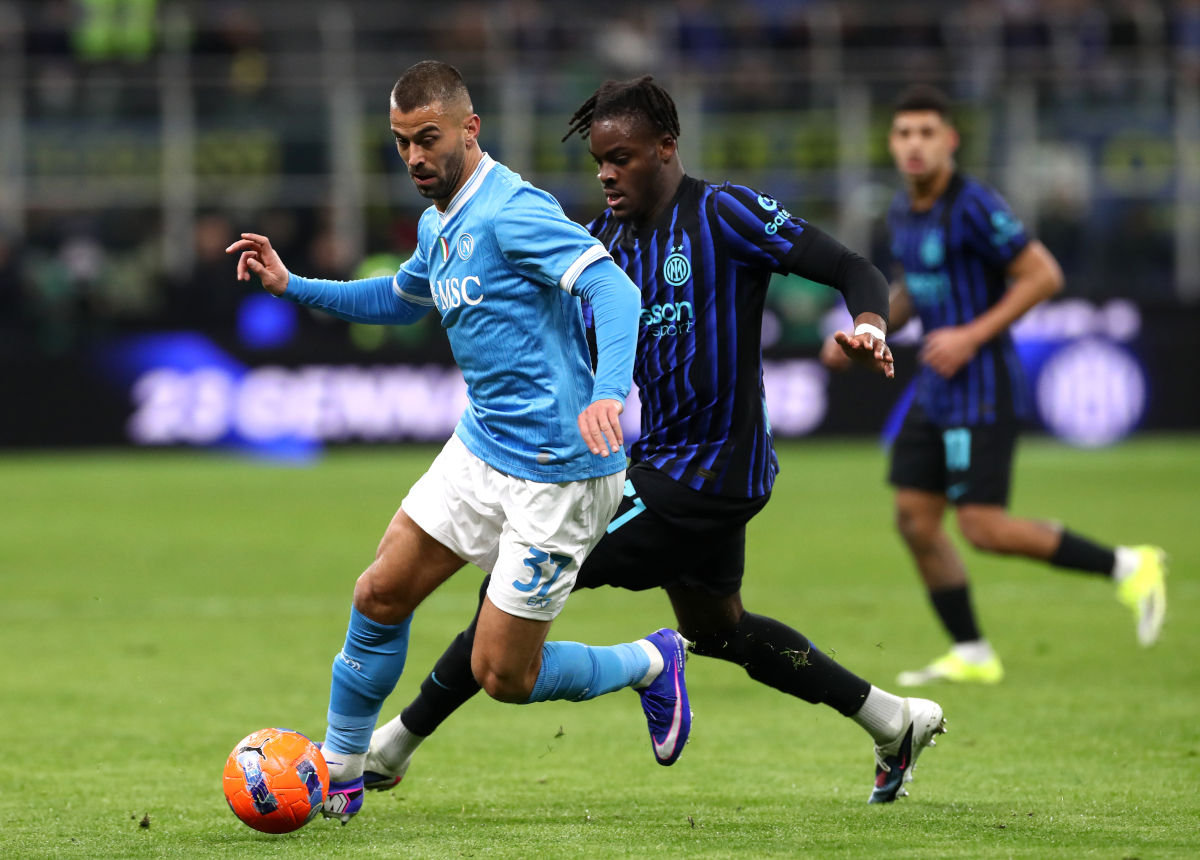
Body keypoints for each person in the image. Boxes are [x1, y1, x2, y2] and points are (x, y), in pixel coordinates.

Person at [361, 76, 947, 806]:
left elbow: (851, 266)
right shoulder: (605, 242)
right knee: (719, 630)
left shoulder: (725, 213)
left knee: (512, 587)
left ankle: (393, 743)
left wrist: (870, 324)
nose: (607, 173)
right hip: (663, 466)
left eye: (623, 157)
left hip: (712, 472)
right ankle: (894, 720)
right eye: (600, 161)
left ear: (667, 148)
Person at [226, 61, 693, 825]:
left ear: (470, 130)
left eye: (428, 139)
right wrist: (293, 285)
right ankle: (341, 769)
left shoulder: (512, 210)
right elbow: (400, 299)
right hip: (480, 450)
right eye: (402, 142)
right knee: (378, 592)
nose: (414, 158)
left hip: (559, 473)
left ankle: (649, 661)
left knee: (504, 675)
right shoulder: (438, 219)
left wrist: (611, 390)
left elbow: (614, 288)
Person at [821, 85, 1167, 687]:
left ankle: (1129, 565)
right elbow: (912, 290)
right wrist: (868, 330)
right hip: (936, 388)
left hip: (982, 384)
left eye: (927, 133)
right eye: (904, 134)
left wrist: (969, 336)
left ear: (950, 141)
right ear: (892, 143)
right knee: (913, 517)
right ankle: (972, 651)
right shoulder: (903, 210)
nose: (915, 145)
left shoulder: (974, 204)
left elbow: (1043, 274)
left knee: (982, 526)